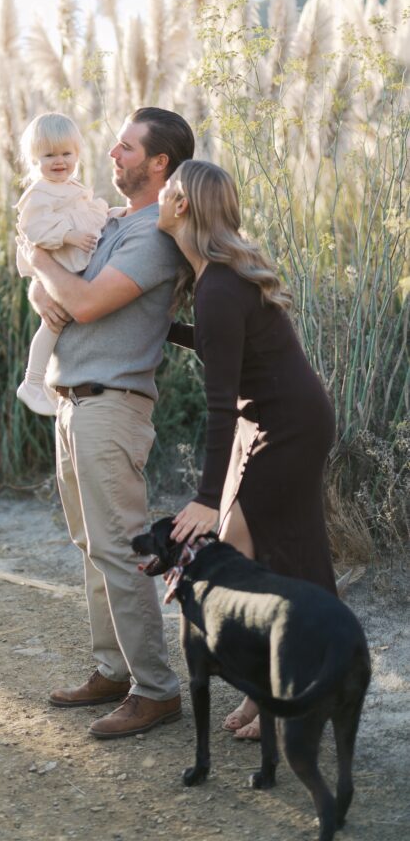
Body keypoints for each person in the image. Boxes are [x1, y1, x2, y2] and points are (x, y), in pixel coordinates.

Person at [23, 107, 195, 739]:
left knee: (121, 549)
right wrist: (44, 283)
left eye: (126, 147)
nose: (111, 154)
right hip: (72, 401)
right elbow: (61, 296)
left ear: (159, 163)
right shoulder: (112, 223)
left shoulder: (155, 237)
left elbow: (88, 301)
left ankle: (155, 689)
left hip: (112, 405)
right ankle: (114, 669)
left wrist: (38, 263)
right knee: (90, 546)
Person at [158, 159, 337, 741]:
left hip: (285, 428)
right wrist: (166, 329)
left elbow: (218, 406)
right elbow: (226, 348)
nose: (158, 197)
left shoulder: (218, 286)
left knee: (242, 557)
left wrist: (208, 498)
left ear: (182, 205)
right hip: (279, 419)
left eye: (166, 190)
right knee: (284, 556)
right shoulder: (220, 280)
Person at [15, 112, 109, 416]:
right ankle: (32, 382)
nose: (59, 161)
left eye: (66, 153)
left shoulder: (72, 188)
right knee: (52, 324)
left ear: (77, 154)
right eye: (49, 155)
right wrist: (69, 235)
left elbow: (90, 216)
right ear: (34, 159)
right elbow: (34, 228)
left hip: (69, 269)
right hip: (58, 269)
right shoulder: (39, 193)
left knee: (62, 324)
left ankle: (47, 384)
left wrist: (112, 215)